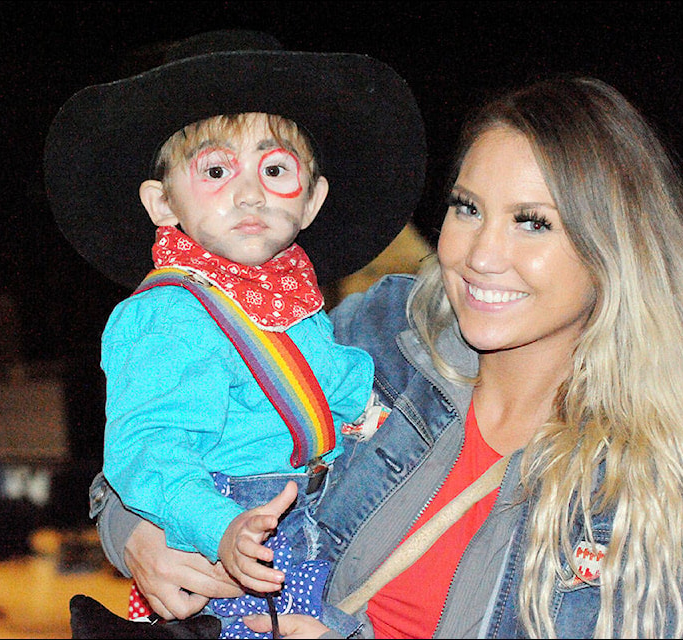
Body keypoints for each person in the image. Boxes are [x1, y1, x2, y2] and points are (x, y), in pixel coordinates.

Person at [88, 75, 683, 639]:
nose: (478, 254)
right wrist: (138, 536)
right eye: (468, 209)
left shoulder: (639, 486)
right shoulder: (381, 338)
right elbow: (157, 436)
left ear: (616, 250)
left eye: (533, 221)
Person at [44, 30, 426, 639]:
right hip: (223, 542)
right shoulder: (165, 315)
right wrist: (219, 525)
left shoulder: (292, 297)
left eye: (275, 169)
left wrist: (369, 411)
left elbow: (329, 376)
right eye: (217, 169)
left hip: (313, 523)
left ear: (312, 201)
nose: (249, 192)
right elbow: (145, 452)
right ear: (162, 204)